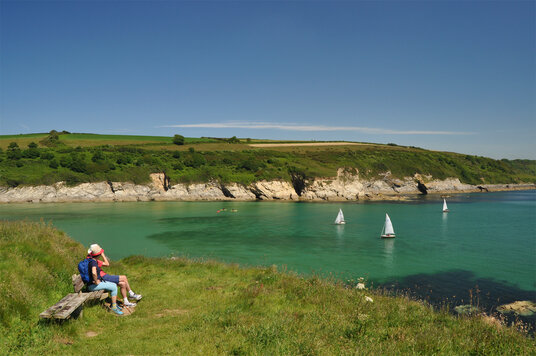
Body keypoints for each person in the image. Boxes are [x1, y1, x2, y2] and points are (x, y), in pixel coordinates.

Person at [86, 250, 123, 315]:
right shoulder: (93, 262)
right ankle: (114, 307)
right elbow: (94, 272)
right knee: (114, 286)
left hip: (91, 284)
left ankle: (113, 304)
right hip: (92, 286)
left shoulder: (91, 260)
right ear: (99, 255)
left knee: (113, 285)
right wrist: (96, 281)